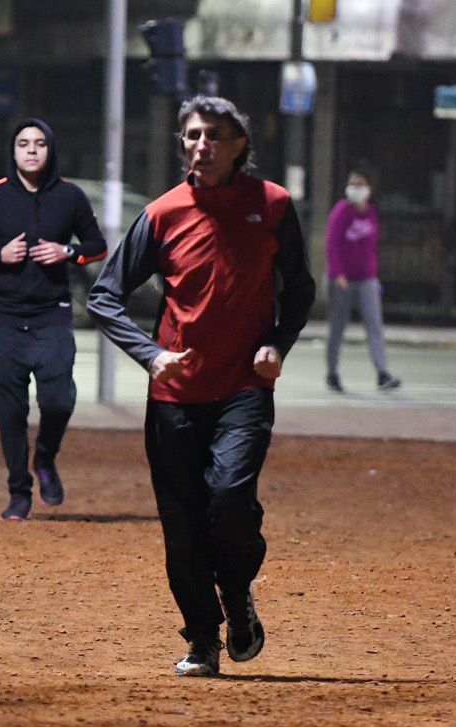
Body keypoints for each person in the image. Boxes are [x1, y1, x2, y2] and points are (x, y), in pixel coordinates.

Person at [88, 96, 314, 677]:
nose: (200, 145)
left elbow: (301, 287)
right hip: (174, 397)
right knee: (182, 524)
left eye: (213, 135)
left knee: (230, 501)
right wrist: (150, 353)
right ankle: (203, 640)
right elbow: (104, 295)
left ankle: (236, 594)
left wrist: (277, 345)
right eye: (191, 135)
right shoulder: (162, 213)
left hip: (244, 387)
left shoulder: (273, 206)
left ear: (239, 143)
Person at [0, 118, 106, 521]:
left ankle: (46, 458)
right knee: (10, 413)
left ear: (50, 150)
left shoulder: (70, 197)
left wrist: (67, 252)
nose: (32, 150)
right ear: (13, 151)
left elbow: (97, 246)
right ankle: (19, 491)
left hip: (51, 315)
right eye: (24, 143)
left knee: (59, 399)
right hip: (3, 318)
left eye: (39, 143)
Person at [324, 170, 401, 393]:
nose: (356, 188)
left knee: (374, 325)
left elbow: (371, 248)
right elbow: (332, 244)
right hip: (342, 280)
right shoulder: (341, 211)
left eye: (360, 184)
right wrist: (338, 273)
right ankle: (332, 373)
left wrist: (374, 275)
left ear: (369, 188)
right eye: (352, 184)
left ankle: (382, 373)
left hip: (366, 279)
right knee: (337, 329)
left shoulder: (371, 213)